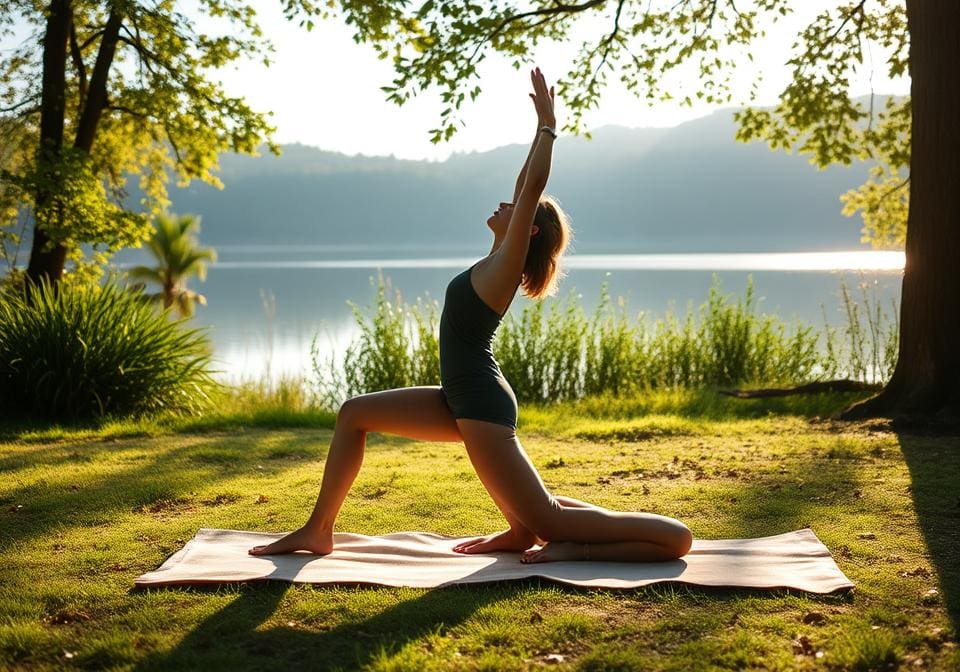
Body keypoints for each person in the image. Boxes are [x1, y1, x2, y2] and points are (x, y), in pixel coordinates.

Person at [249, 68, 692, 563]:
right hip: (459, 396)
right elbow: (527, 184)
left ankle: (560, 539)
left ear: (529, 232)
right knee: (354, 414)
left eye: (520, 209)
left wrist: (549, 127)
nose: (507, 202)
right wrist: (535, 132)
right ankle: (318, 530)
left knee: (623, 532)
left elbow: (532, 186)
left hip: (479, 402)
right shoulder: (495, 260)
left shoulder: (504, 268)